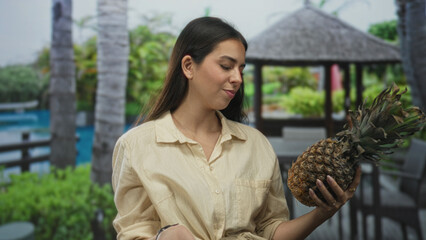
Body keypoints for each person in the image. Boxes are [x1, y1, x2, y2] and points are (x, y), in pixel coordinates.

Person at [112, 16, 361, 240]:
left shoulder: (256, 144)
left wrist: (324, 213)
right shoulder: (136, 146)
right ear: (188, 66)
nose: (238, 79)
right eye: (226, 66)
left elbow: (271, 229)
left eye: (241, 68)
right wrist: (163, 238)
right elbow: (132, 233)